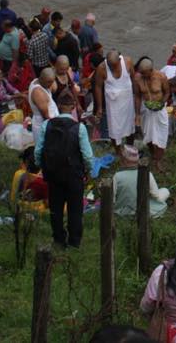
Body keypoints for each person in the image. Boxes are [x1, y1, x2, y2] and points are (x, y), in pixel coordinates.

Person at [35, 89, 96, 248]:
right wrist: (89, 171)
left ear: (58, 105)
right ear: (73, 106)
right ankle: (74, 242)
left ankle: (58, 239)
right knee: (75, 209)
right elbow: (87, 155)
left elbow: (38, 150)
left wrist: (42, 166)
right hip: (74, 174)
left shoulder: (47, 125)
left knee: (55, 208)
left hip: (53, 174)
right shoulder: (79, 128)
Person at [95, 49, 138, 148]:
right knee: (114, 128)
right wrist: (99, 107)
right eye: (111, 66)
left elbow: (133, 78)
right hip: (112, 104)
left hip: (127, 102)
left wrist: (136, 95)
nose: (113, 68)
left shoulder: (128, 62)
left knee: (130, 125)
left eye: (115, 66)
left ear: (119, 60)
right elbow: (98, 87)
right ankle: (118, 151)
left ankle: (130, 147)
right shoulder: (101, 68)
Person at [113, 144, 170, 219]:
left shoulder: (116, 176)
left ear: (124, 160)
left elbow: (112, 199)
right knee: (165, 191)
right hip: (143, 210)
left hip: (122, 212)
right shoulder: (148, 174)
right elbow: (155, 195)